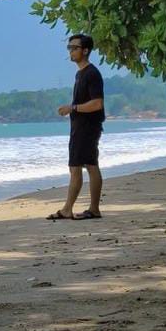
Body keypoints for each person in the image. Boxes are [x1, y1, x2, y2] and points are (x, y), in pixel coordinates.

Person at [47, 34, 105, 221]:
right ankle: (91, 209)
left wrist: (72, 108)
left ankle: (69, 209)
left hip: (87, 127)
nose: (71, 51)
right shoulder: (80, 74)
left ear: (85, 50)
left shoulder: (91, 74)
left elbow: (97, 104)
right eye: (69, 48)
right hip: (81, 127)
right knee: (89, 165)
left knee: (78, 167)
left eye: (74, 47)